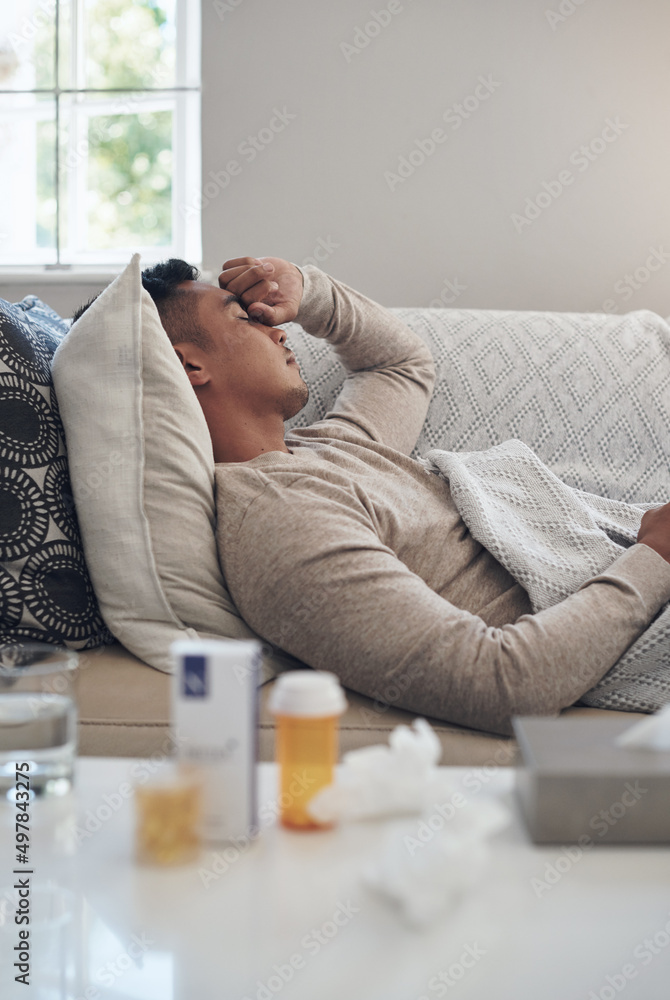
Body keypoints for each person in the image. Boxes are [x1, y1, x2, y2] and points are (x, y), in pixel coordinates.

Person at [102, 255, 670, 735]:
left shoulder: (327, 448)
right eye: (244, 318)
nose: (278, 329)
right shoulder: (279, 519)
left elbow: (399, 362)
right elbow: (503, 685)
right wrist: (655, 558)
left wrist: (307, 289)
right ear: (188, 363)